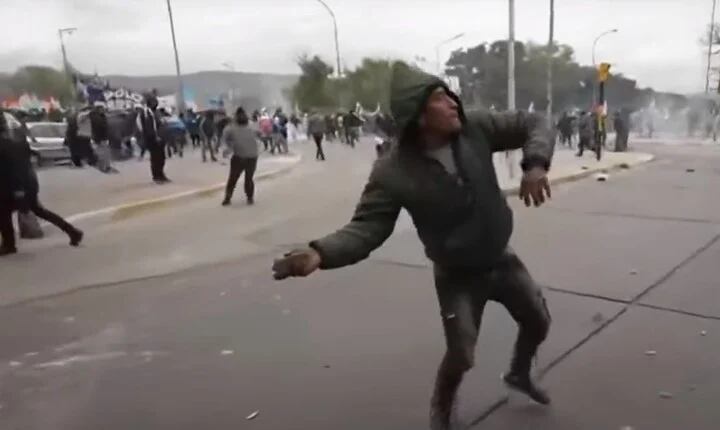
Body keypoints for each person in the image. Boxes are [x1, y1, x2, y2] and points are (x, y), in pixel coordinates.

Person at [271, 65, 553, 430]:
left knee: (539, 321)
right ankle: (442, 408)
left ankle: (518, 373)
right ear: (418, 116)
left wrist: (535, 165)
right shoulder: (392, 172)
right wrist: (320, 253)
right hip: (457, 274)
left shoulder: (476, 129)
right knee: (461, 355)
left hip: (501, 257)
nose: (453, 103)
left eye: (449, 94)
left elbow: (536, 122)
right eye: (440, 98)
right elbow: (366, 228)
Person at [0, 112, 83, 255]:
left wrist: (19, 190)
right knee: (37, 211)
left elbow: (15, 167)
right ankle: (72, 231)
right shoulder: (17, 139)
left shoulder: (6, 143)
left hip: (16, 187)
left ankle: (9, 245)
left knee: (4, 214)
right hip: (22, 185)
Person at [220, 107, 259, 206]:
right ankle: (244, 198)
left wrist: (226, 148)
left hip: (246, 156)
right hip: (246, 156)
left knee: (239, 179)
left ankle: (233, 198)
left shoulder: (234, 127)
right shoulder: (232, 128)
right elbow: (224, 141)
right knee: (241, 178)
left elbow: (224, 140)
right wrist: (226, 148)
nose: (242, 117)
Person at [137, 95, 170, 183]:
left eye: (156, 101)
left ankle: (161, 174)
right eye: (154, 101)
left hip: (161, 138)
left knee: (161, 158)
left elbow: (162, 122)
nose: (156, 103)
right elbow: (149, 127)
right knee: (156, 158)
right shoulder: (147, 112)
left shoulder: (157, 112)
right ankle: (156, 176)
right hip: (154, 139)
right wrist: (155, 137)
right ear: (150, 103)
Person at [89, 101, 117, 173]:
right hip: (99, 137)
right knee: (103, 153)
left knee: (105, 152)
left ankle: (106, 166)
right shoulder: (95, 116)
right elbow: (101, 126)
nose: (103, 110)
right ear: (98, 108)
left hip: (102, 137)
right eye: (102, 108)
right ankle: (104, 167)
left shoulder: (99, 116)